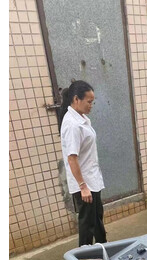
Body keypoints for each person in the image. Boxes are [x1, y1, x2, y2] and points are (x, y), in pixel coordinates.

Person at [58, 80, 107, 246]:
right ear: (76, 99)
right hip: (85, 184)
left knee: (97, 217)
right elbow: (72, 158)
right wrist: (83, 186)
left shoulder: (81, 118)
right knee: (88, 224)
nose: (91, 105)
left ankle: (103, 247)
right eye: (89, 102)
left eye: (92, 102)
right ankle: (85, 256)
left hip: (92, 179)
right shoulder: (72, 125)